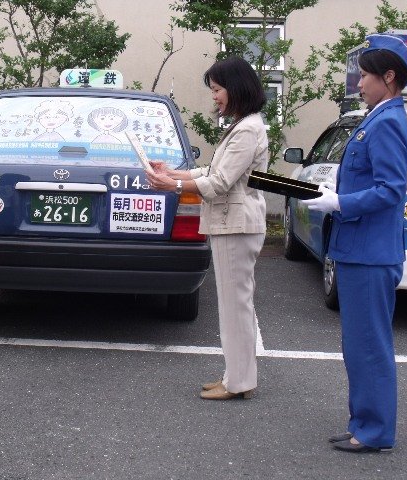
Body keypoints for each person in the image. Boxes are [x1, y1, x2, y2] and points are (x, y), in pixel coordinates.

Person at [303, 34, 407, 453]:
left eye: (366, 75)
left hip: (371, 254)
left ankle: (373, 432)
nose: (359, 82)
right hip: (360, 249)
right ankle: (363, 424)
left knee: (369, 346)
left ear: (388, 77)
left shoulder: (389, 121)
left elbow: (391, 189)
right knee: (359, 345)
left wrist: (340, 201)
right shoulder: (379, 115)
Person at [145, 56, 267, 400]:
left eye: (217, 89)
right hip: (235, 224)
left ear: (236, 88)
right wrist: (173, 173)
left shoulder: (246, 129)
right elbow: (210, 171)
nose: (214, 97)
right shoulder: (245, 124)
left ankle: (239, 381)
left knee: (236, 306)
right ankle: (234, 376)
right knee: (234, 305)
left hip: (237, 225)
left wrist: (171, 186)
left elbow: (221, 182)